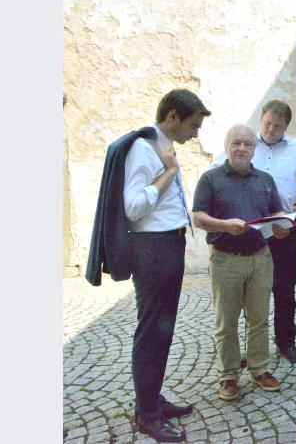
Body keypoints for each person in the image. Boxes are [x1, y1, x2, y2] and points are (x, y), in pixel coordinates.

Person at [96, 88, 209, 442]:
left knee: (162, 331)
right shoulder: (145, 150)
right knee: (152, 332)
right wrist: (170, 171)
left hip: (166, 246)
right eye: (192, 126)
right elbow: (133, 207)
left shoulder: (159, 146)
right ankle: (146, 414)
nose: (195, 134)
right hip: (153, 249)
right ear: (172, 116)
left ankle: (152, 399)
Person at [210, 100, 296, 363]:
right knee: (244, 291)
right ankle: (243, 349)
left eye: (277, 126)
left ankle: (286, 342)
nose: (271, 129)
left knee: (285, 289)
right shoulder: (245, 145)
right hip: (248, 231)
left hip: (285, 230)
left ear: (287, 126)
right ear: (260, 120)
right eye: (267, 124)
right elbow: (215, 174)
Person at [194, 124, 290, 401]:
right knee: (226, 322)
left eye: (248, 144)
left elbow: (276, 212)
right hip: (226, 260)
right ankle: (228, 375)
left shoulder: (265, 180)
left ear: (254, 149)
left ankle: (259, 369)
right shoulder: (210, 179)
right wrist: (224, 225)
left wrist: (283, 224)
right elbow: (198, 217)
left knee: (259, 319)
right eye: (236, 143)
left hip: (261, 258)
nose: (242, 149)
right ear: (226, 147)